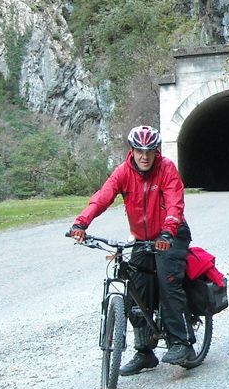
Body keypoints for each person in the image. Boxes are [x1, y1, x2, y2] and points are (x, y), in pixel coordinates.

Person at [70, 125, 194, 372]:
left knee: (168, 283)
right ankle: (144, 351)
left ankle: (182, 343)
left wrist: (168, 231)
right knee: (136, 290)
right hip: (141, 239)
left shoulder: (167, 169)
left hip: (171, 234)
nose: (144, 156)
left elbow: (175, 204)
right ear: (132, 150)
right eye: (139, 151)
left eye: (150, 151)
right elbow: (102, 197)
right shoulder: (123, 172)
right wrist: (81, 223)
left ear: (157, 151)